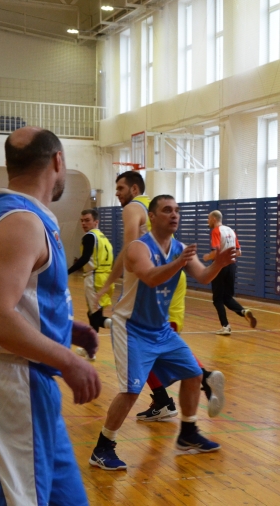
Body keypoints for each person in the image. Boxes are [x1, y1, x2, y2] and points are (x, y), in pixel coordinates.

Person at [90, 195, 236, 471]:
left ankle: (188, 433)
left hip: (160, 329)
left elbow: (203, 276)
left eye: (177, 210)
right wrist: (180, 262)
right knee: (131, 390)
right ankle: (103, 447)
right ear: (152, 217)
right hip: (131, 328)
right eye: (167, 210)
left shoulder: (179, 248)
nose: (174, 214)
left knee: (194, 375)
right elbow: (151, 277)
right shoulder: (138, 248)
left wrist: (219, 263)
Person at [0, 127, 101, 505]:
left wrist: (63, 329)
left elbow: (20, 297)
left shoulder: (21, 216)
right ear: (58, 161)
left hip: (35, 386)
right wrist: (67, 360)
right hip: (15, 384)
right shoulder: (22, 222)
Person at [95, 172, 225, 420]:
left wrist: (108, 284)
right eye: (169, 210)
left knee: (154, 346)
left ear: (134, 189)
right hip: (169, 275)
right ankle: (173, 396)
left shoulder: (133, 208)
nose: (117, 193)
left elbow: (129, 250)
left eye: (120, 188)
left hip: (162, 276)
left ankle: (200, 380)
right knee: (156, 346)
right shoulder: (151, 206)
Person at [68, 209, 114, 360]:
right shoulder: (103, 238)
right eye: (82, 220)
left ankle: (118, 326)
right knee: (93, 315)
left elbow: (84, 258)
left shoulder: (89, 236)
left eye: (87, 220)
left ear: (96, 221)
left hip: (94, 278)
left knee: (95, 318)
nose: (83, 223)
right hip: (106, 279)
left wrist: (66, 272)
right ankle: (90, 352)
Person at [204, 210, 257, 335]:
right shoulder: (231, 231)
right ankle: (244, 312)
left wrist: (207, 257)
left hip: (219, 266)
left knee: (217, 299)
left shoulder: (216, 231)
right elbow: (239, 252)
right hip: (231, 266)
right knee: (227, 297)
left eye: (208, 219)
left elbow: (215, 252)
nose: (207, 221)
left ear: (214, 219)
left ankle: (225, 326)